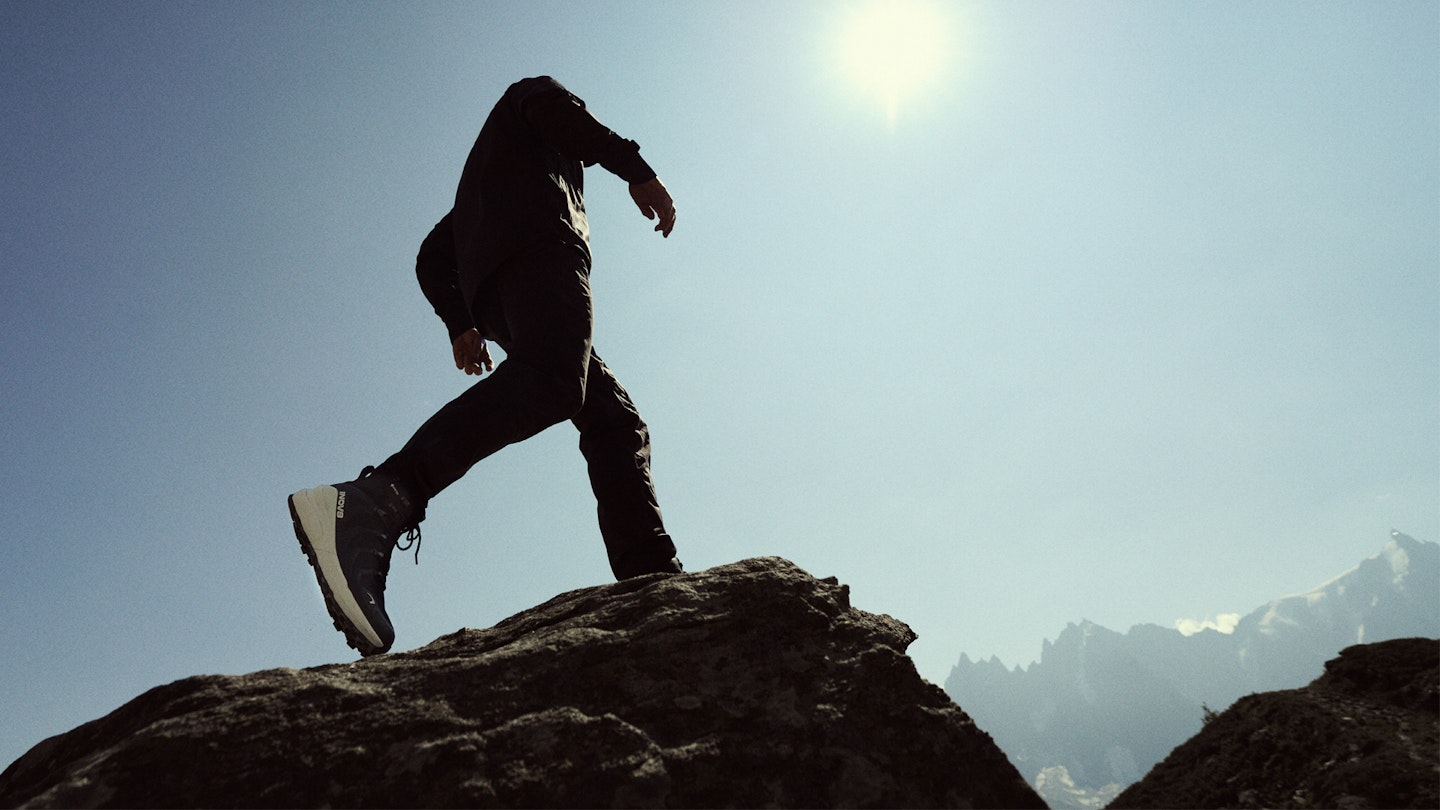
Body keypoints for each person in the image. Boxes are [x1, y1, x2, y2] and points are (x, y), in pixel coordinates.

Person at [287, 76, 682, 657]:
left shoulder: (492, 180)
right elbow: (555, 110)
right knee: (554, 380)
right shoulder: (536, 103)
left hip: (501, 289)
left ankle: (648, 575)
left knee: (614, 418)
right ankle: (379, 499)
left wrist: (461, 323)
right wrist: (634, 166)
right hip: (540, 254)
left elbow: (431, 256)